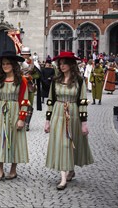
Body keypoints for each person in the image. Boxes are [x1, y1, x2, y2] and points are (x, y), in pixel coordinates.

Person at [44, 51, 93, 190]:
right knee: (62, 143)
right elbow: (50, 100)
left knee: (71, 143)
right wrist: (47, 121)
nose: (62, 66)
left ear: (71, 64)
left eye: (65, 63)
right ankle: (63, 178)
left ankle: (70, 170)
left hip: (73, 115)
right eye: (60, 63)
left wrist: (84, 123)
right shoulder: (55, 80)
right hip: (58, 114)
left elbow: (82, 101)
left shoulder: (79, 80)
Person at [0, 50, 29, 181]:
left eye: (8, 64)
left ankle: (13, 170)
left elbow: (24, 100)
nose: (5, 66)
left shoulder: (21, 81)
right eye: (3, 64)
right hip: (1, 111)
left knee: (14, 139)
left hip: (15, 111)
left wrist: (22, 119)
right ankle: (0, 170)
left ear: (14, 65)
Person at [20, 47, 42, 131]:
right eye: (23, 54)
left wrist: (30, 77)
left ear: (29, 54)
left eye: (26, 54)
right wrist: (21, 77)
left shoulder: (34, 63)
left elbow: (38, 75)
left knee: (29, 105)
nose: (25, 55)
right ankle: (21, 120)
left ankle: (27, 123)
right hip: (20, 85)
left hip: (30, 86)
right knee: (20, 104)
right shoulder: (18, 62)